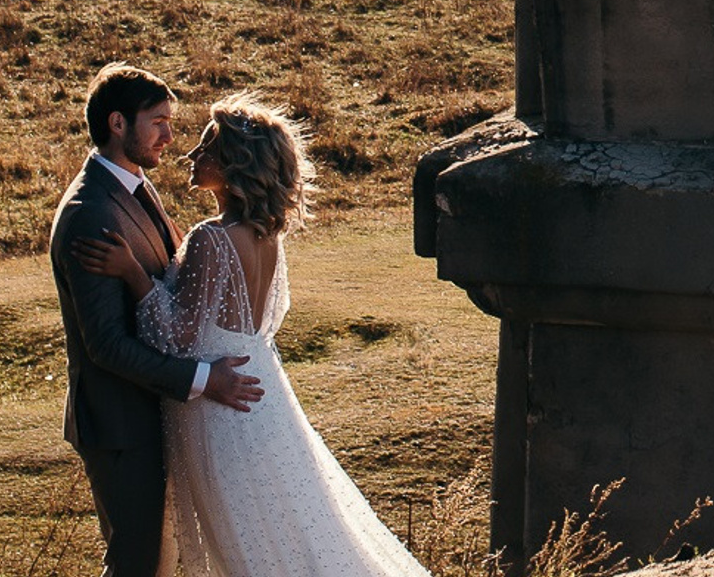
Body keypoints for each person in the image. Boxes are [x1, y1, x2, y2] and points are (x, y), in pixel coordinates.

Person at [77, 92, 431, 577]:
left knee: (250, 553)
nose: (190, 155)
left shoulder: (211, 238)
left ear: (234, 163)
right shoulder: (266, 234)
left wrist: (134, 274)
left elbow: (175, 338)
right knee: (289, 535)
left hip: (220, 411)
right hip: (260, 401)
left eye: (205, 148)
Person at [51, 63, 266, 577]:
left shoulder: (133, 188)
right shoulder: (91, 213)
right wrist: (202, 379)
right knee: (138, 566)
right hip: (122, 422)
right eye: (159, 122)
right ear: (118, 123)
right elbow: (105, 344)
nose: (171, 136)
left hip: (159, 414)